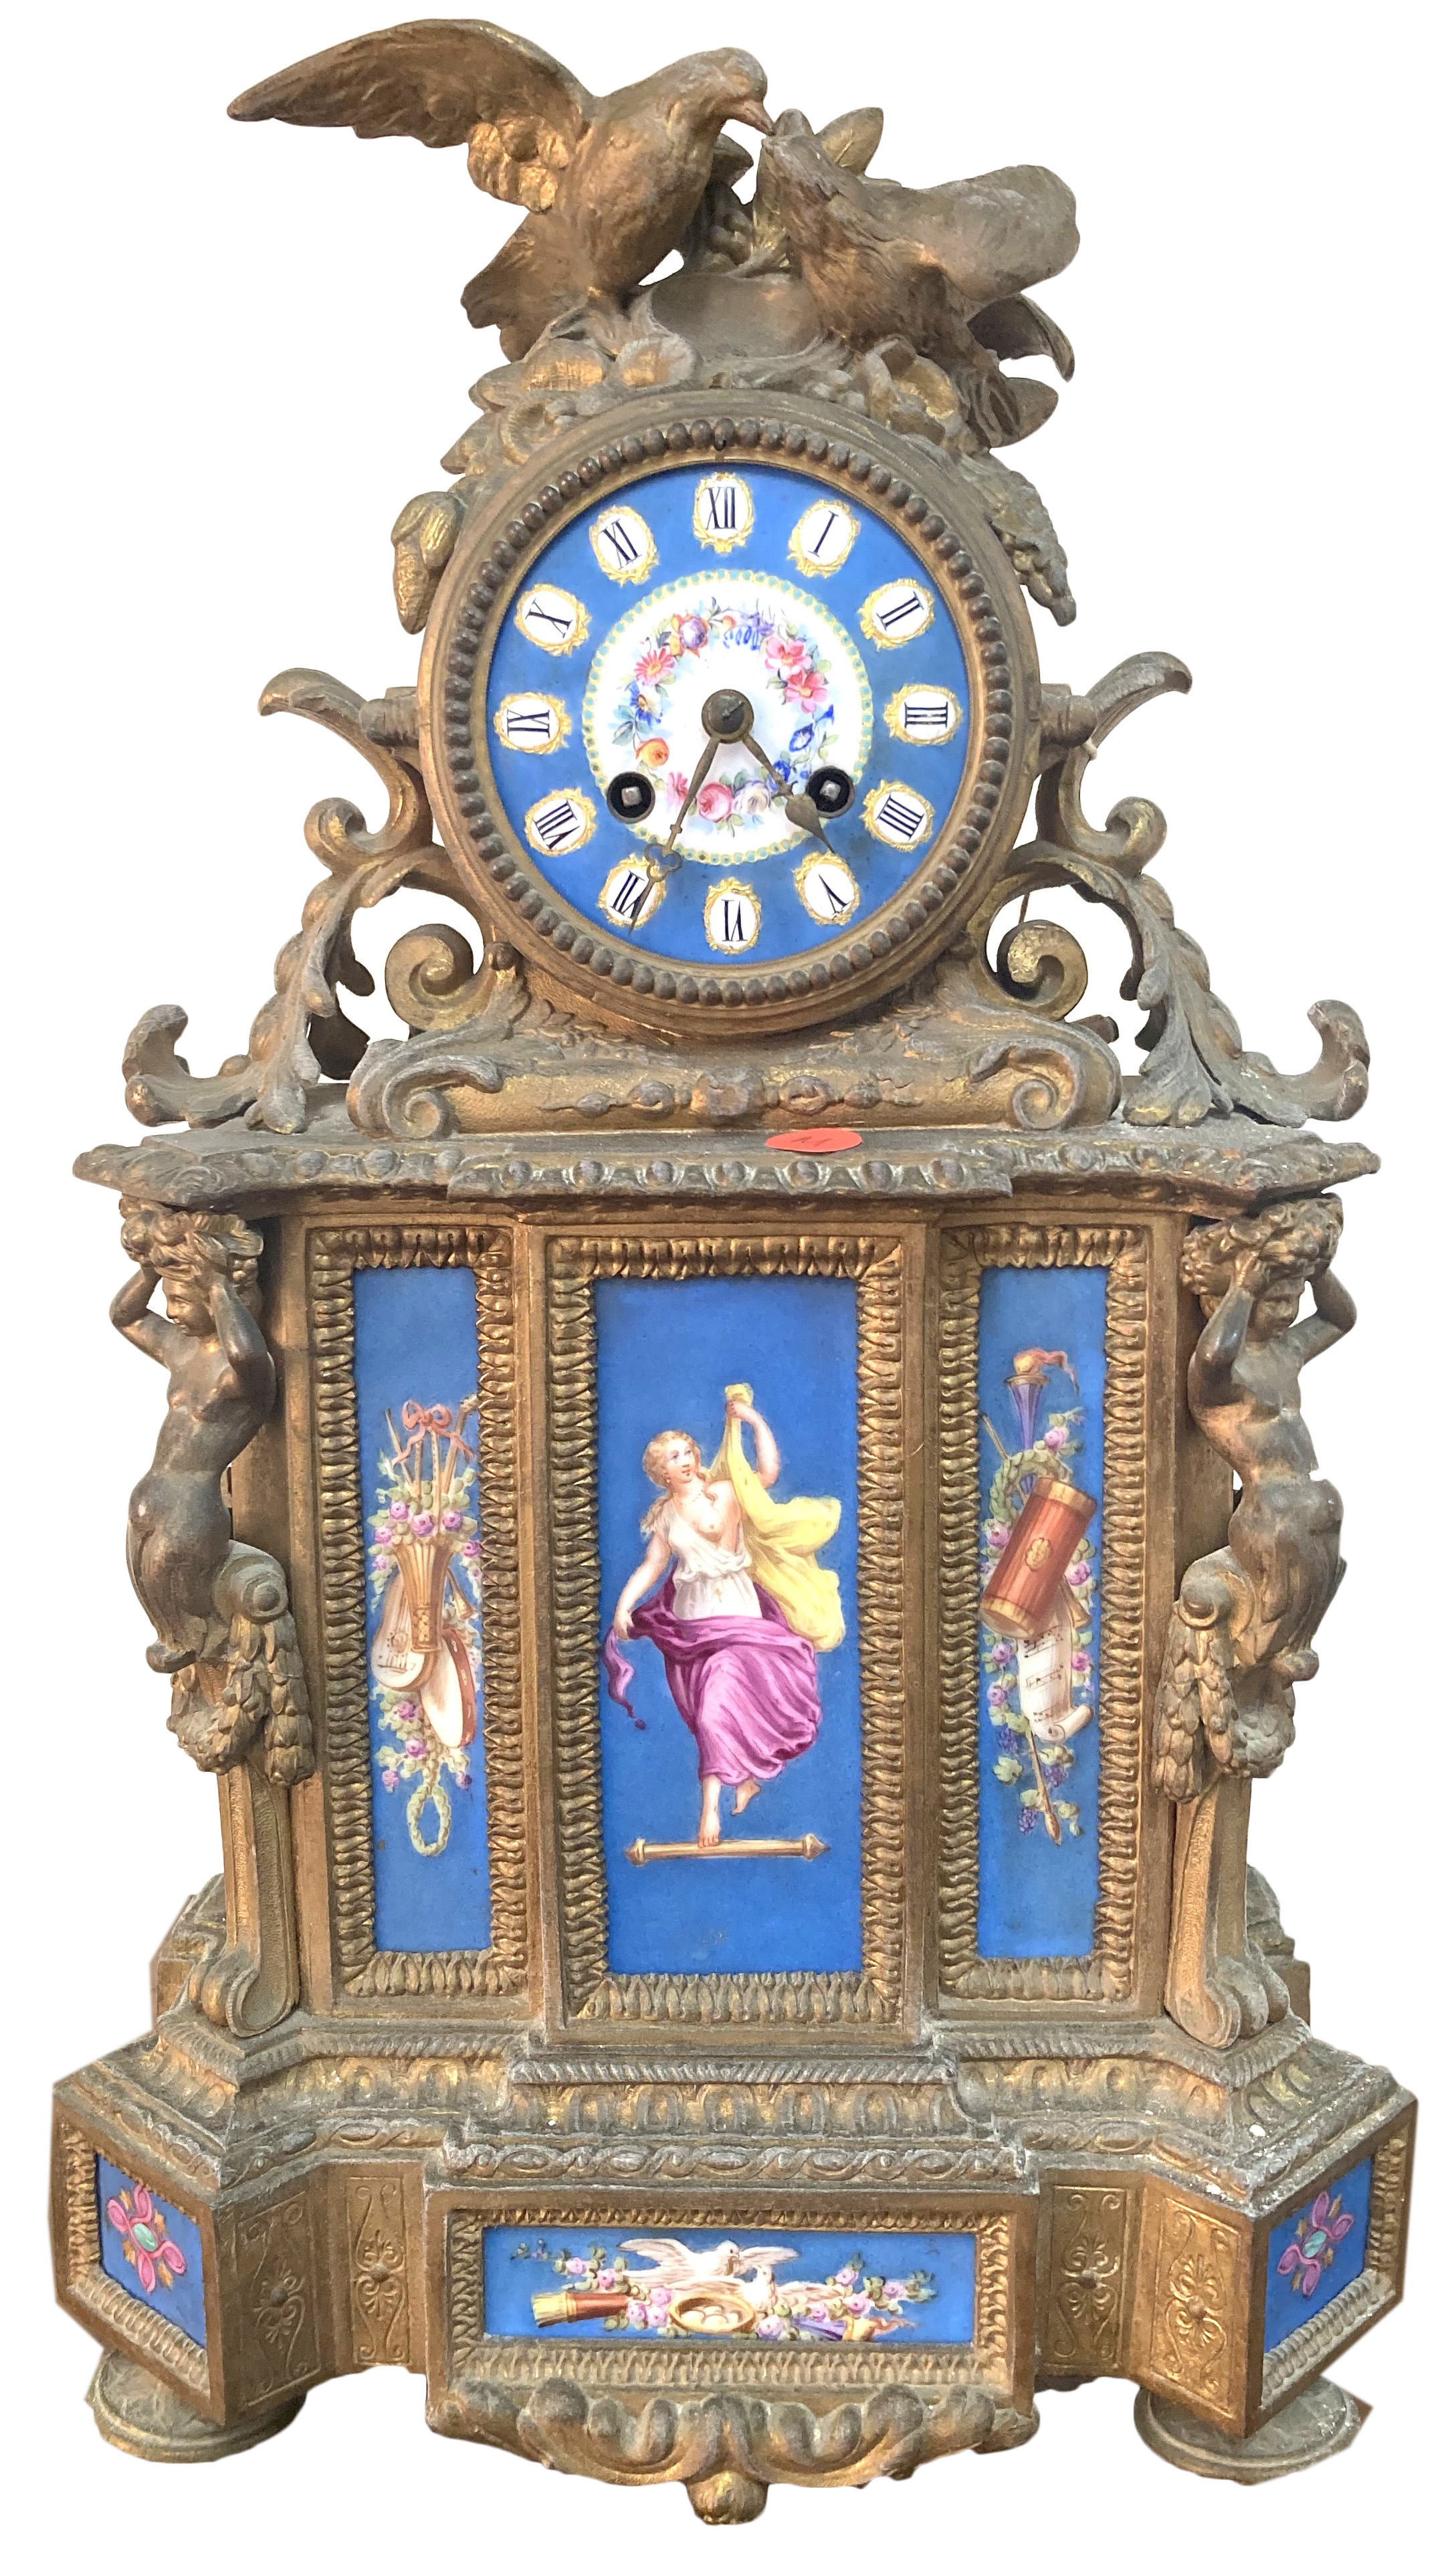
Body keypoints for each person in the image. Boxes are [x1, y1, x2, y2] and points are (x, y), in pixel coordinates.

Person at [606, 1387, 841, 1846]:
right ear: (662, 1472)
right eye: (674, 1456)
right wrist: (623, 1605)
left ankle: (710, 1810)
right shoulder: (666, 1517)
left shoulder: (728, 1491)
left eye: (687, 1451)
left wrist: (753, 1420)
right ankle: (743, 1780)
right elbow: (653, 1565)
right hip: (692, 1627)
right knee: (713, 1712)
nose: (685, 1459)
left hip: (739, 1616)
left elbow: (768, 1474)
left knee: (719, 1706)